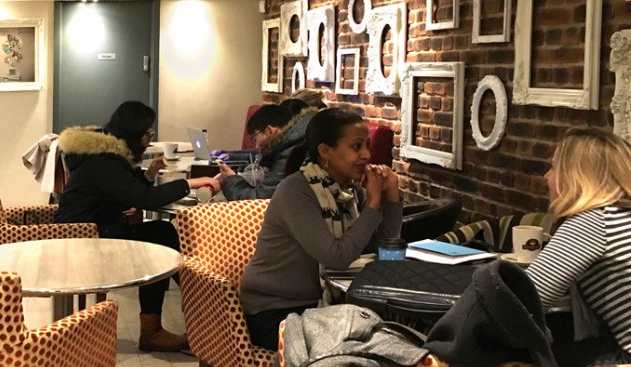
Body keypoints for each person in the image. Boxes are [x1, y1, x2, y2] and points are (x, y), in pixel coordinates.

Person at [54, 101, 220, 352]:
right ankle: (200, 305)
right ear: (133, 134)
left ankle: (195, 303)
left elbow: (128, 189)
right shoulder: (105, 162)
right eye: (147, 134)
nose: (149, 139)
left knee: (161, 235)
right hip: (85, 239)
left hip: (95, 229)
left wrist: (149, 175)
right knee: (160, 241)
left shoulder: (103, 155)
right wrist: (194, 182)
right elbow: (144, 199)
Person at [239, 108, 402, 351]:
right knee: (364, 350)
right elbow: (336, 257)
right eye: (357, 147)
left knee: (394, 339)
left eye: (367, 145)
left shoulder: (349, 191)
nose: (367, 154)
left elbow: (385, 245)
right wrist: (373, 204)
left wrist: (391, 197)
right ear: (326, 151)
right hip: (276, 311)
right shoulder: (296, 191)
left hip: (330, 305)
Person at [526, 129, 631, 367]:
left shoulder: (595, 221)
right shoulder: (621, 215)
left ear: (576, 176)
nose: (546, 176)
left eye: (553, 167)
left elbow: (525, 301)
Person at [216, 100, 322, 200]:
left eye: (255, 138)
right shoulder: (301, 138)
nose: (257, 146)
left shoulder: (289, 151)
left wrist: (231, 179)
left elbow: (257, 200)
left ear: (269, 130)